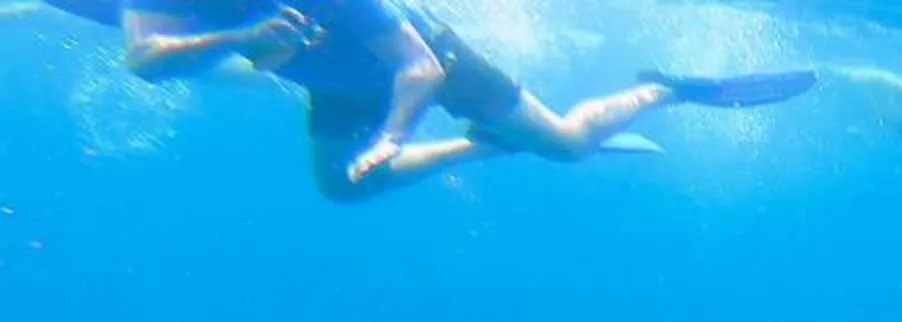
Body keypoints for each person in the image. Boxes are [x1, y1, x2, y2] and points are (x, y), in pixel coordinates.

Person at [114, 0, 814, 201]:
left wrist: (393, 135)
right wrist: (241, 34)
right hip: (335, 88)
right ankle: (488, 145)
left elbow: (418, 69)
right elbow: (143, 60)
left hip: (433, 64)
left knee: (569, 146)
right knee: (342, 192)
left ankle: (663, 86)